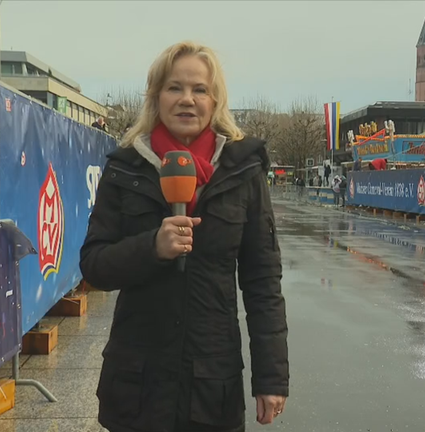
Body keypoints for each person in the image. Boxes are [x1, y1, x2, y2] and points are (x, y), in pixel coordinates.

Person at [80, 41, 289, 432]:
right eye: (175, 88)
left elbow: (263, 282)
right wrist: (151, 248)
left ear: (215, 101)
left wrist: (271, 377)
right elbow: (94, 265)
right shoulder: (125, 167)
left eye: (200, 90)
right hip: (137, 384)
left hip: (212, 383)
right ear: (156, 96)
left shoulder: (243, 172)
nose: (187, 100)